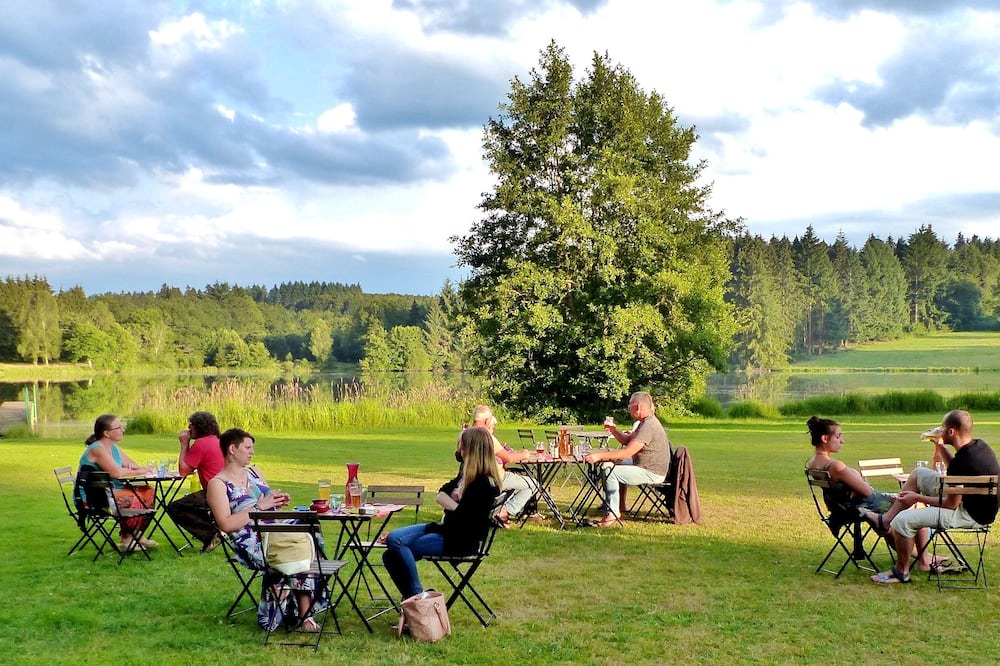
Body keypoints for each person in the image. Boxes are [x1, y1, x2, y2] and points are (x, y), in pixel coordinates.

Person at [206, 428, 320, 631]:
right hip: (250, 540)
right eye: (248, 447)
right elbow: (226, 524)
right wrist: (260, 508)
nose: (252, 452)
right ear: (232, 449)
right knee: (295, 543)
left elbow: (268, 504)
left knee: (308, 527)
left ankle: (299, 608)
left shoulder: (255, 472)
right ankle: (304, 614)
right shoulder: (218, 484)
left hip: (273, 530)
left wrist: (276, 501)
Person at [869, 410, 1000, 584]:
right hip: (970, 503)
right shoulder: (979, 446)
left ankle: (901, 572)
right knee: (918, 474)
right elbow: (955, 468)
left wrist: (917, 498)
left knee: (902, 520)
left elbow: (950, 504)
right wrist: (940, 447)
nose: (939, 430)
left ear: (951, 432)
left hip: (970, 514)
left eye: (942, 428)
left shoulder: (963, 462)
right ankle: (886, 520)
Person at [384, 426, 503, 600]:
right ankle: (416, 598)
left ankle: (419, 600)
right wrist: (456, 506)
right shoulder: (466, 475)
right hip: (447, 531)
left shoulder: (482, 485)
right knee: (392, 548)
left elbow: (462, 523)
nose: (459, 452)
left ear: (470, 450)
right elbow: (442, 494)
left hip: (458, 541)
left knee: (396, 545)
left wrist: (452, 509)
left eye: (462, 447)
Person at [585, 391, 670, 527]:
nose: (628, 409)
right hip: (644, 465)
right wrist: (613, 430)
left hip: (651, 471)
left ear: (637, 407)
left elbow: (627, 452)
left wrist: (599, 456)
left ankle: (613, 512)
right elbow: (626, 440)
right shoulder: (645, 422)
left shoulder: (649, 426)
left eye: (629, 406)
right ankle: (620, 505)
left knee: (610, 472)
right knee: (610, 464)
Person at [76, 414, 158, 551]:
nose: (123, 430)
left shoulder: (113, 448)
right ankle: (127, 539)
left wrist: (134, 468)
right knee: (135, 497)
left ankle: (135, 533)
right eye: (118, 427)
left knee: (148, 491)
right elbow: (117, 473)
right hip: (96, 497)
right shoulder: (97, 449)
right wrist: (141, 471)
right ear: (107, 433)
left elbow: (131, 464)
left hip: (113, 491)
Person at [460, 405, 540, 524]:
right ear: (487, 421)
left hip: (473, 478)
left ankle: (500, 508)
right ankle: (505, 510)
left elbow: (459, 455)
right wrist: (524, 454)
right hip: (496, 477)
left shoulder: (465, 434)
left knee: (518, 477)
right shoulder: (487, 437)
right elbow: (509, 458)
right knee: (534, 484)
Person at [804, 416, 894, 514]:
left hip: (839, 508)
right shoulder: (835, 466)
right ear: (825, 438)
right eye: (838, 437)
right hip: (858, 508)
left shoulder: (812, 462)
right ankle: (884, 526)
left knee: (905, 497)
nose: (842, 441)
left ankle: (883, 526)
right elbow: (867, 492)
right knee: (908, 501)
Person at [166, 411, 225, 553]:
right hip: (228, 489)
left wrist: (184, 444)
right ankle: (215, 530)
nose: (188, 428)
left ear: (200, 427)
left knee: (175, 507)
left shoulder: (201, 444)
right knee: (193, 502)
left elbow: (184, 471)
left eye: (191, 425)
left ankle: (211, 534)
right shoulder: (218, 440)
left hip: (215, 492)